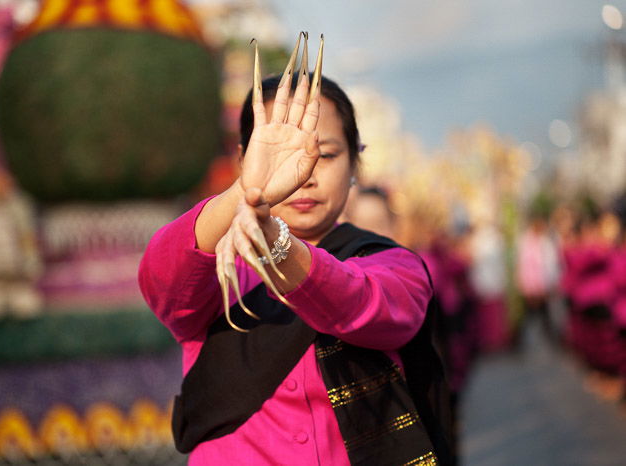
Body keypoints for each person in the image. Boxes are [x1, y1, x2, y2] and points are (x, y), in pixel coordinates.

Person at [139, 34, 452, 465]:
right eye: (279, 158)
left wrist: (276, 241)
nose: (303, 175)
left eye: (324, 155)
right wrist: (243, 195)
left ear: (356, 164)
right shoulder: (218, 266)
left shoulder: (392, 264)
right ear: (242, 159)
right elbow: (162, 282)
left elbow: (362, 303)